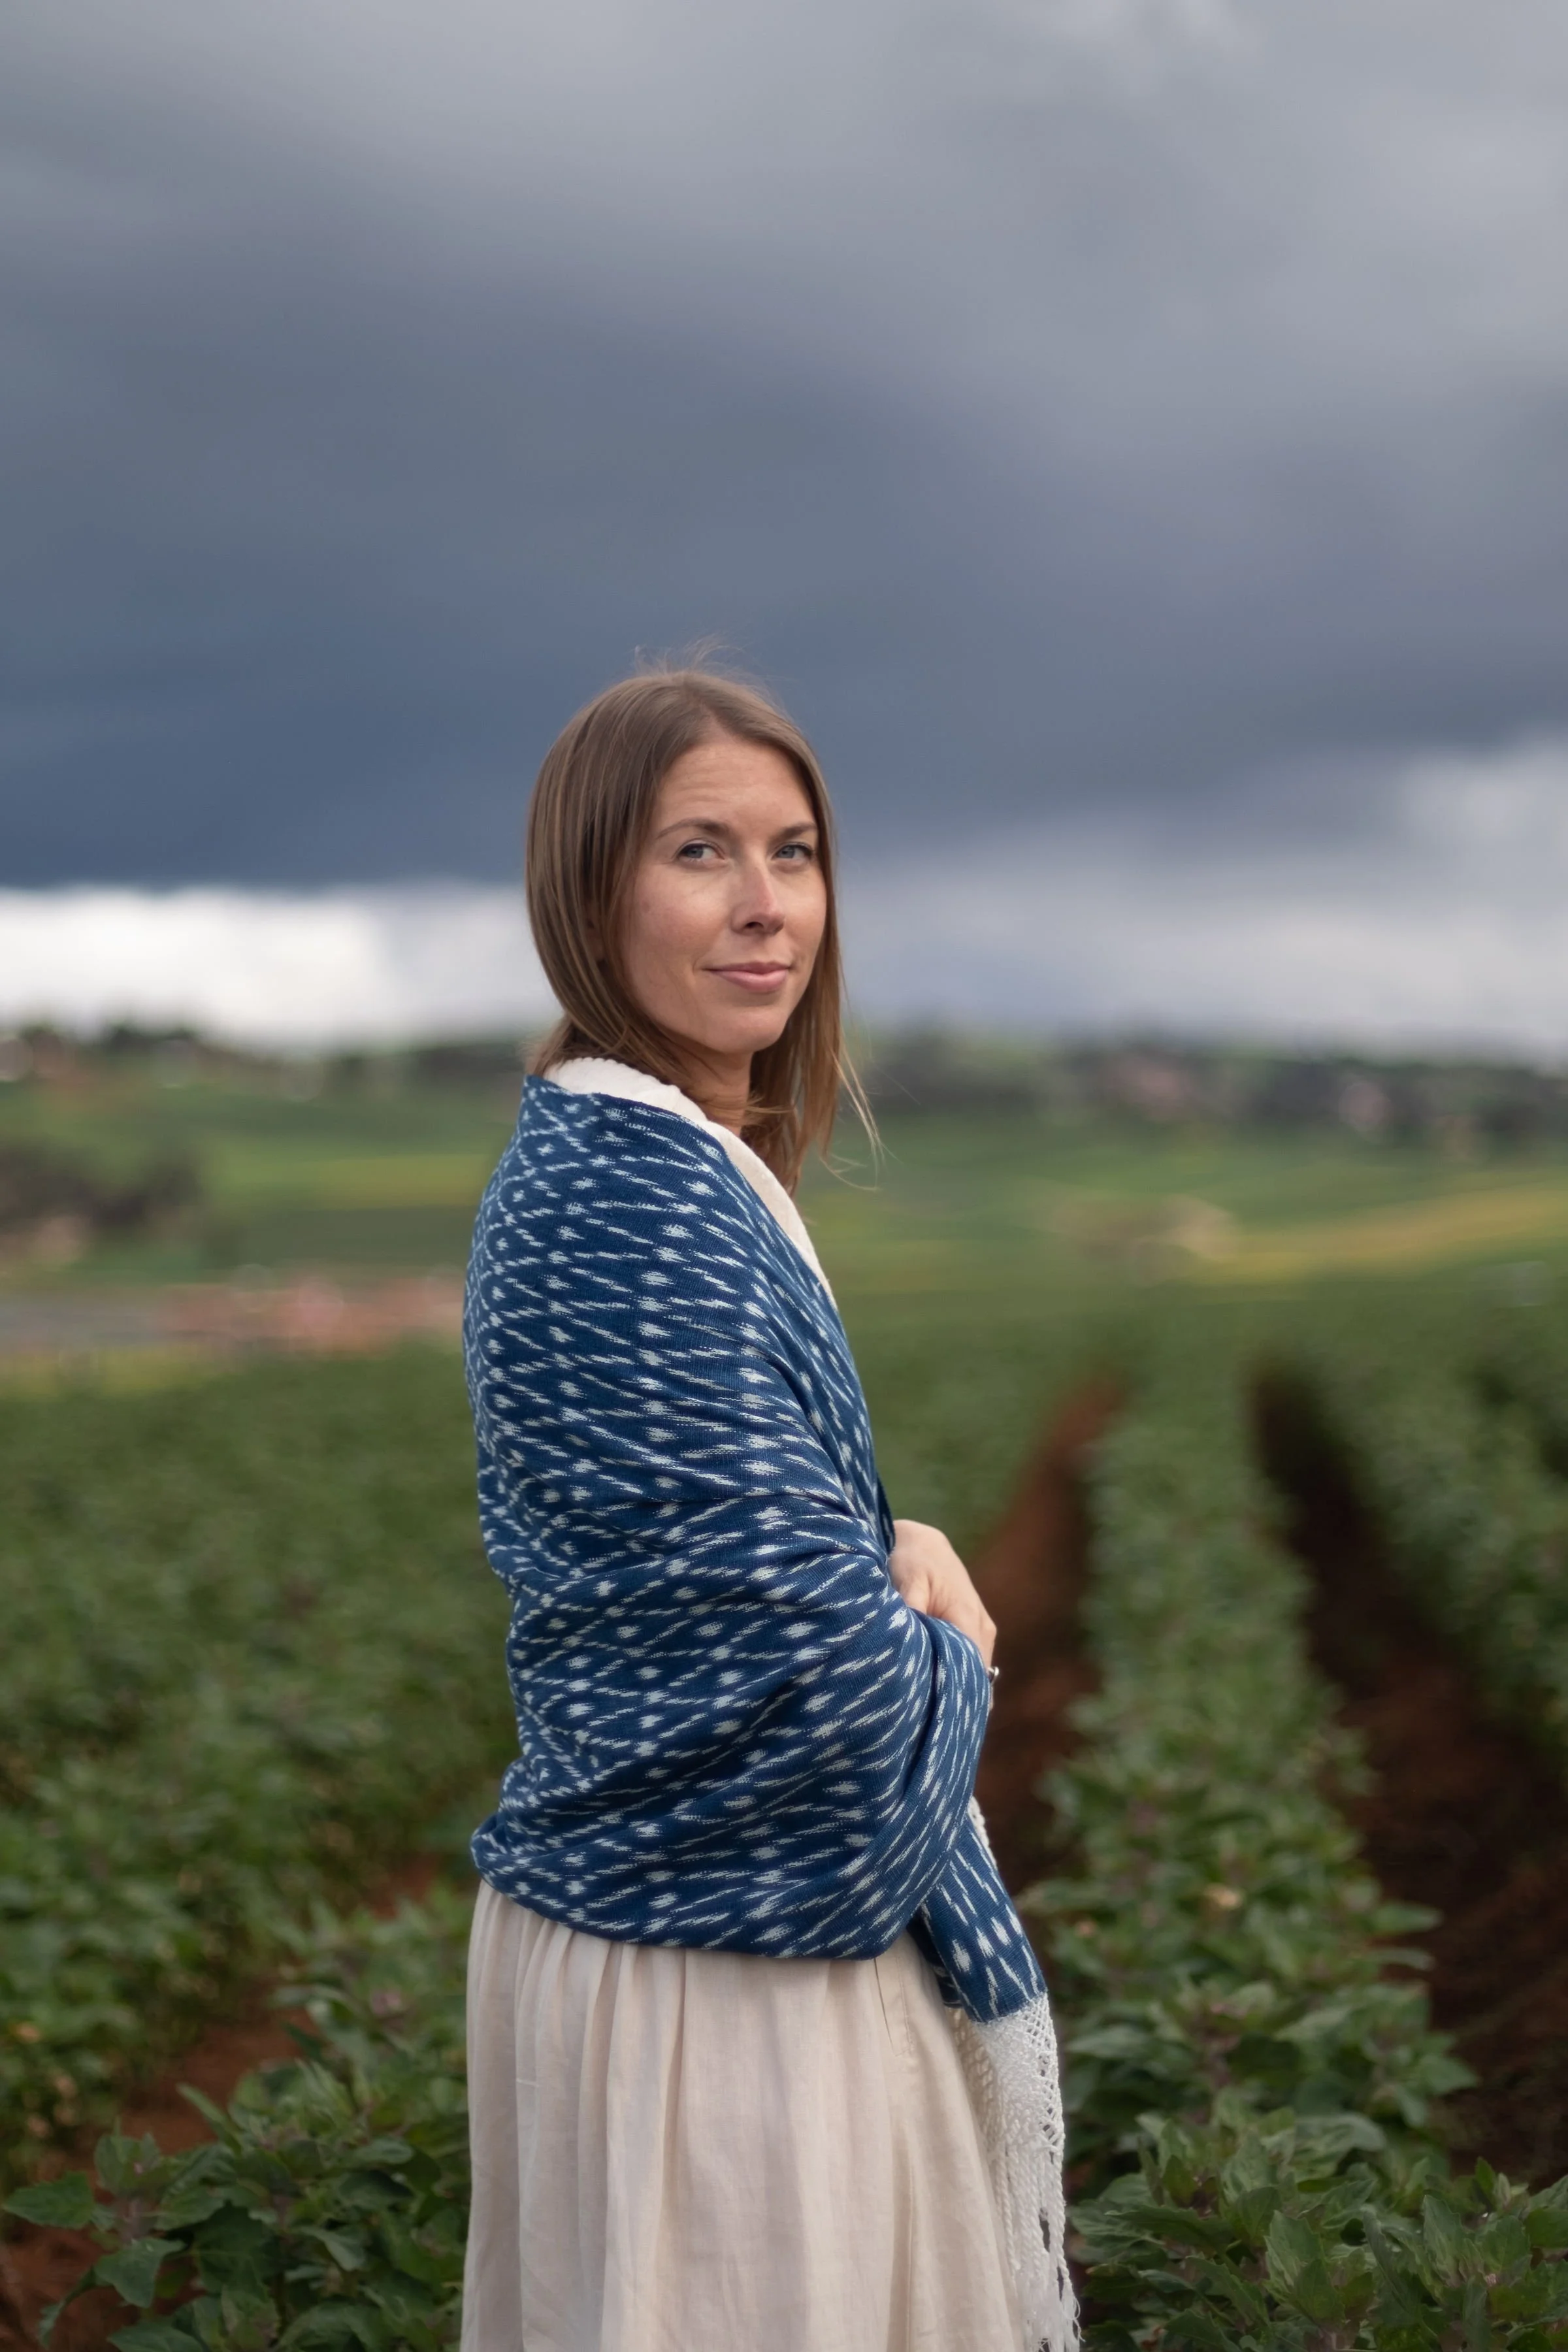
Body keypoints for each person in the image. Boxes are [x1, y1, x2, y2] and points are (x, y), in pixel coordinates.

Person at [460, 665, 1074, 2352]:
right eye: (699, 854)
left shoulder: (646, 1168)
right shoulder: (637, 1216)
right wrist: (938, 1622)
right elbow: (834, 1727)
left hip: (687, 1945)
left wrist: (881, 1554)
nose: (764, 909)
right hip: (716, 2001)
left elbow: (740, 1573)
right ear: (589, 896)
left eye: (793, 853)